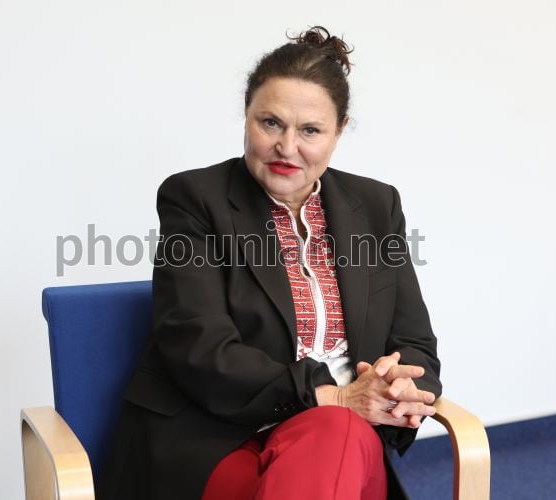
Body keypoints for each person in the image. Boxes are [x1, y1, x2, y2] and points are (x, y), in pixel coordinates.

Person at [98, 26, 441, 500]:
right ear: (247, 115)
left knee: (338, 434)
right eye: (271, 123)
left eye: (310, 130)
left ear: (339, 131)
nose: (287, 147)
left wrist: (399, 387)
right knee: (337, 431)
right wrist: (333, 397)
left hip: (343, 439)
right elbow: (200, 348)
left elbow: (414, 343)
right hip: (214, 438)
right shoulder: (194, 199)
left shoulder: (377, 206)